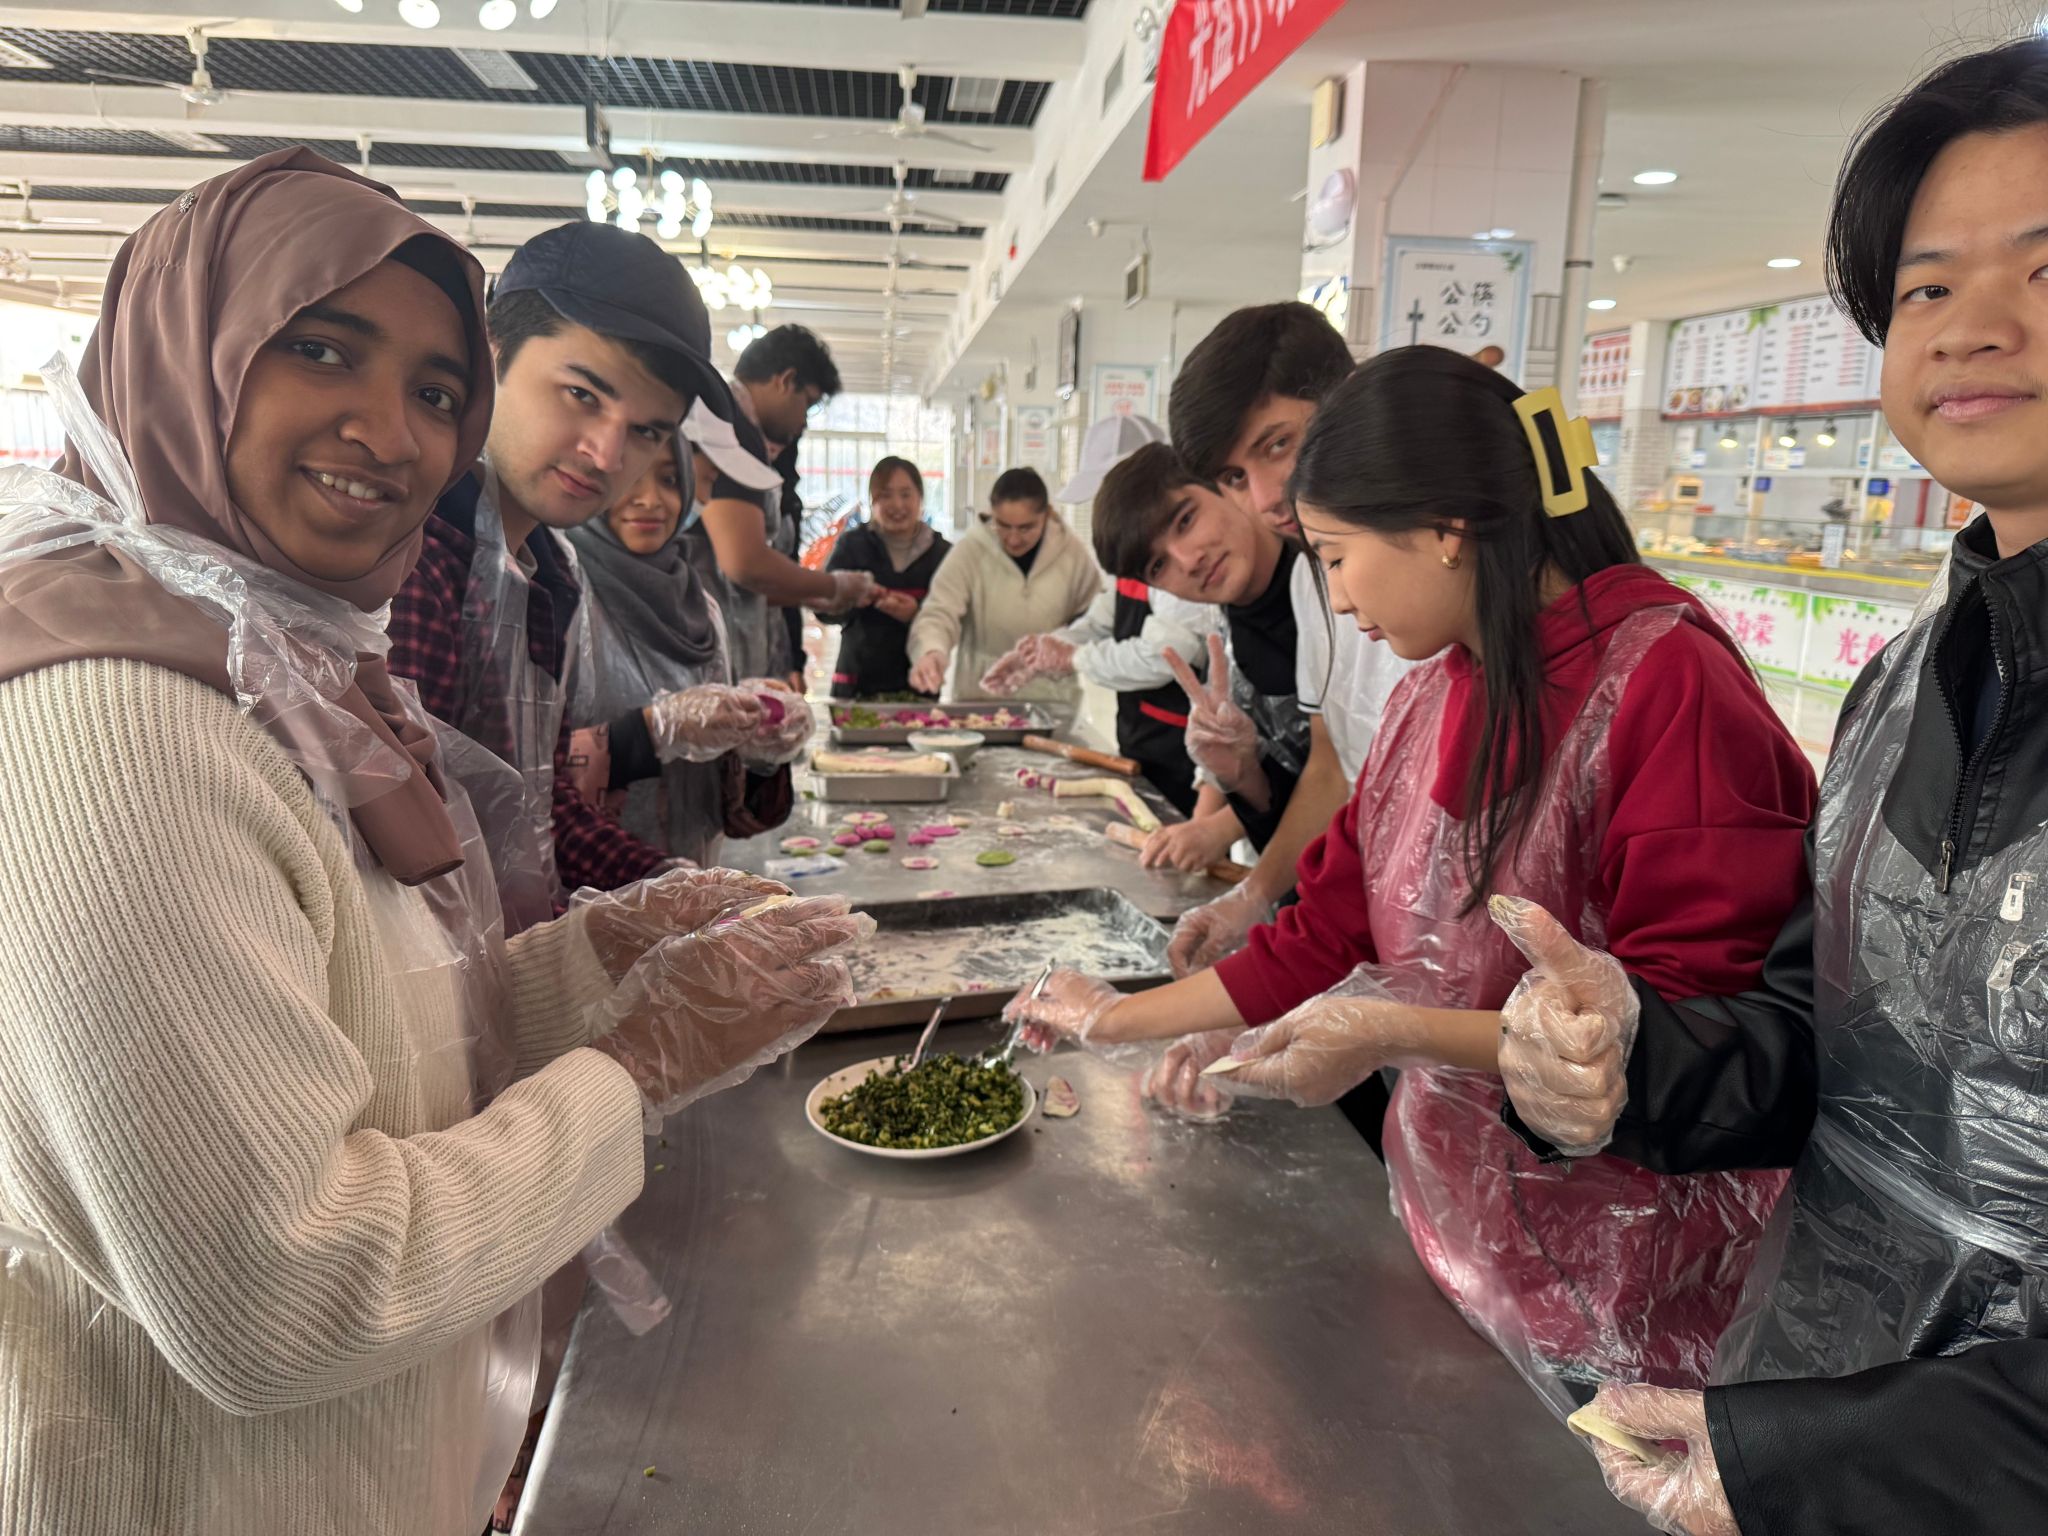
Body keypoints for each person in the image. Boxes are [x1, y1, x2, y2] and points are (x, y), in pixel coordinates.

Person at [0, 147, 866, 1536]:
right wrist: (636, 1061)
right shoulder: (118, 719)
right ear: (181, 350)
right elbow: (280, 1295)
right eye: (321, 350)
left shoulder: (287, 656)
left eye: (432, 392)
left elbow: (371, 1008)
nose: (389, 432)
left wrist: (601, 951)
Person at [1007, 346, 1815, 1420]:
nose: (1338, 600)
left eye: (1338, 557)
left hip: (1630, 1293)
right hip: (1467, 1242)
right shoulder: (1434, 693)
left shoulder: (1667, 683)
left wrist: (1390, 1031)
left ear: (1445, 527)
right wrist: (1118, 1019)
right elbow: (1325, 924)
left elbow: (1682, 1038)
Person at [1495, 39, 2048, 1536]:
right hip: (1805, 1395)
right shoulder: (1906, 682)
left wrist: (1816, 1458)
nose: (1970, 326)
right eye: (1924, 288)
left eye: (2041, 268)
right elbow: (1829, 1042)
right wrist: (1626, 1062)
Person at [387, 221, 798, 923]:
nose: (609, 455)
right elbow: (397, 868)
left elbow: (533, 811)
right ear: (490, 354)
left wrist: (681, 895)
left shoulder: (549, 580)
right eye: (582, 394)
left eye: (647, 431)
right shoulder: (408, 565)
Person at [1162, 303, 1420, 978]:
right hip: (1379, 922)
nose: (1267, 497)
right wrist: (1253, 896)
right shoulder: (1311, 577)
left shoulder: (1444, 560)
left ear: (1348, 397)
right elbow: (1334, 770)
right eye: (1234, 478)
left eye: (1278, 445)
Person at [979, 414, 1230, 834]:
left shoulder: (1181, 562)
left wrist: (1075, 658)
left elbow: (1163, 657)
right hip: (1140, 739)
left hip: (1187, 754)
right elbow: (1101, 620)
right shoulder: (1134, 552)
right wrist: (1042, 651)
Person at [565, 441, 803, 869]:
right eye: (628, 476)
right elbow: (527, 780)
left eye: (671, 480)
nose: (651, 499)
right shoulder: (561, 596)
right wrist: (649, 733)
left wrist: (757, 743)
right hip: (589, 886)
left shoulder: (700, 608)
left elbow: (724, 806)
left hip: (691, 883)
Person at [1090, 443, 1310, 854]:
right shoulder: (1227, 627)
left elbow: (1339, 779)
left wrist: (1222, 837)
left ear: (1223, 485)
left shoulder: (1328, 581)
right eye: (1159, 566)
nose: (1188, 561)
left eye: (1186, 521)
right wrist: (1234, 782)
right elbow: (1279, 792)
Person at [681, 325, 873, 686]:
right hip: (705, 653)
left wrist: (811, 594)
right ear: (786, 381)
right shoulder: (731, 429)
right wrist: (833, 586)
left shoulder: (735, 424)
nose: (803, 422)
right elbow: (744, 563)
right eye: (808, 404)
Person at [907, 467, 1102, 702]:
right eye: (1003, 525)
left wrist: (1065, 652)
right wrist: (932, 651)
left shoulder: (1072, 554)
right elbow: (939, 611)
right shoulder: (971, 551)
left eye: (1026, 528)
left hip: (1052, 700)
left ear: (1047, 514)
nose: (1013, 539)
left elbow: (1096, 620)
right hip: (981, 699)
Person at [818, 455, 952, 698]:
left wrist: (917, 612)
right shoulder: (852, 545)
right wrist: (853, 599)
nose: (897, 505)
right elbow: (823, 609)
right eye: (885, 495)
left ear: (920, 498)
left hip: (919, 684)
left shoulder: (941, 553)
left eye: (906, 494)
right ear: (872, 501)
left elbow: (955, 615)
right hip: (857, 685)